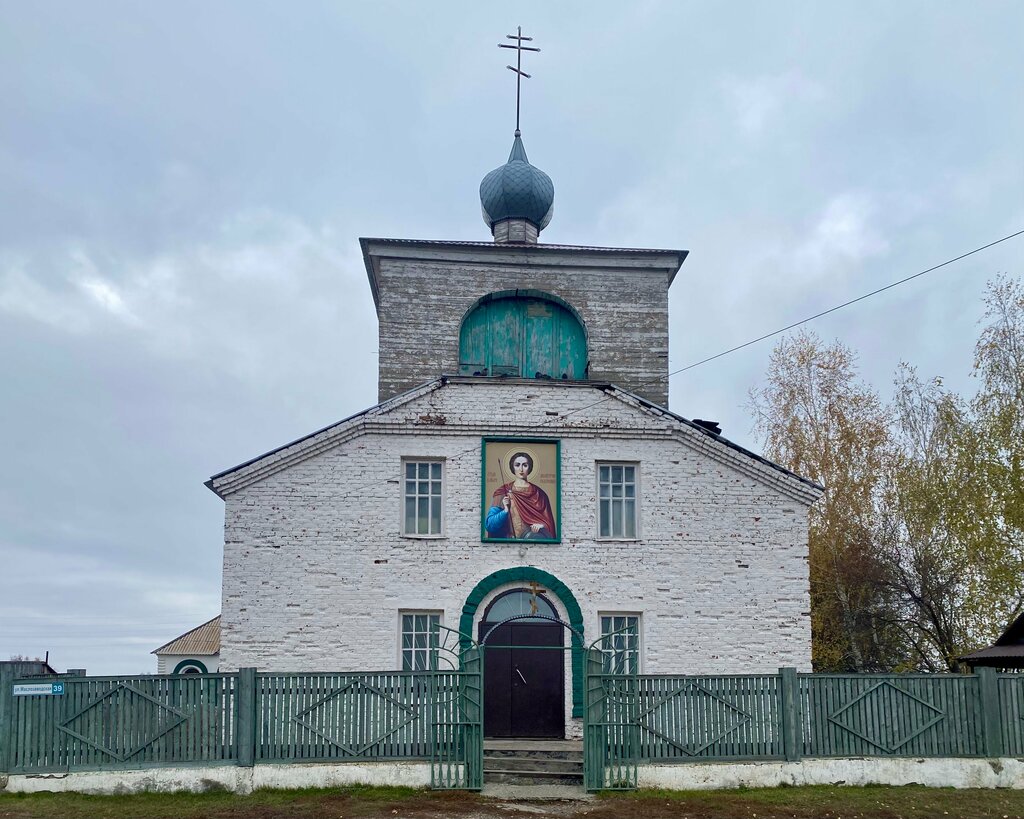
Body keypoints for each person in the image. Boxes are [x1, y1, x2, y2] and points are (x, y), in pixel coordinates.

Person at [485, 451, 556, 539]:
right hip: (509, 542)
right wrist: (505, 511)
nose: (521, 469)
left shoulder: (540, 494)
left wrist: (541, 526)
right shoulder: (503, 492)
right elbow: (490, 525)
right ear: (512, 467)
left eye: (525, 465)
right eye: (517, 465)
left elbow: (549, 525)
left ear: (530, 467)